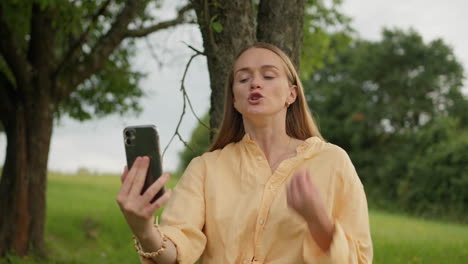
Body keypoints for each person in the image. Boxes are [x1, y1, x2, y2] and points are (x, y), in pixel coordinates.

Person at [117, 42, 373, 264]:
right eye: (243, 78)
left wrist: (320, 223)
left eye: (269, 76)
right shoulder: (206, 168)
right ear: (235, 100)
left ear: (291, 94)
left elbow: (360, 259)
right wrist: (144, 230)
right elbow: (174, 251)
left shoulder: (332, 161)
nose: (255, 83)